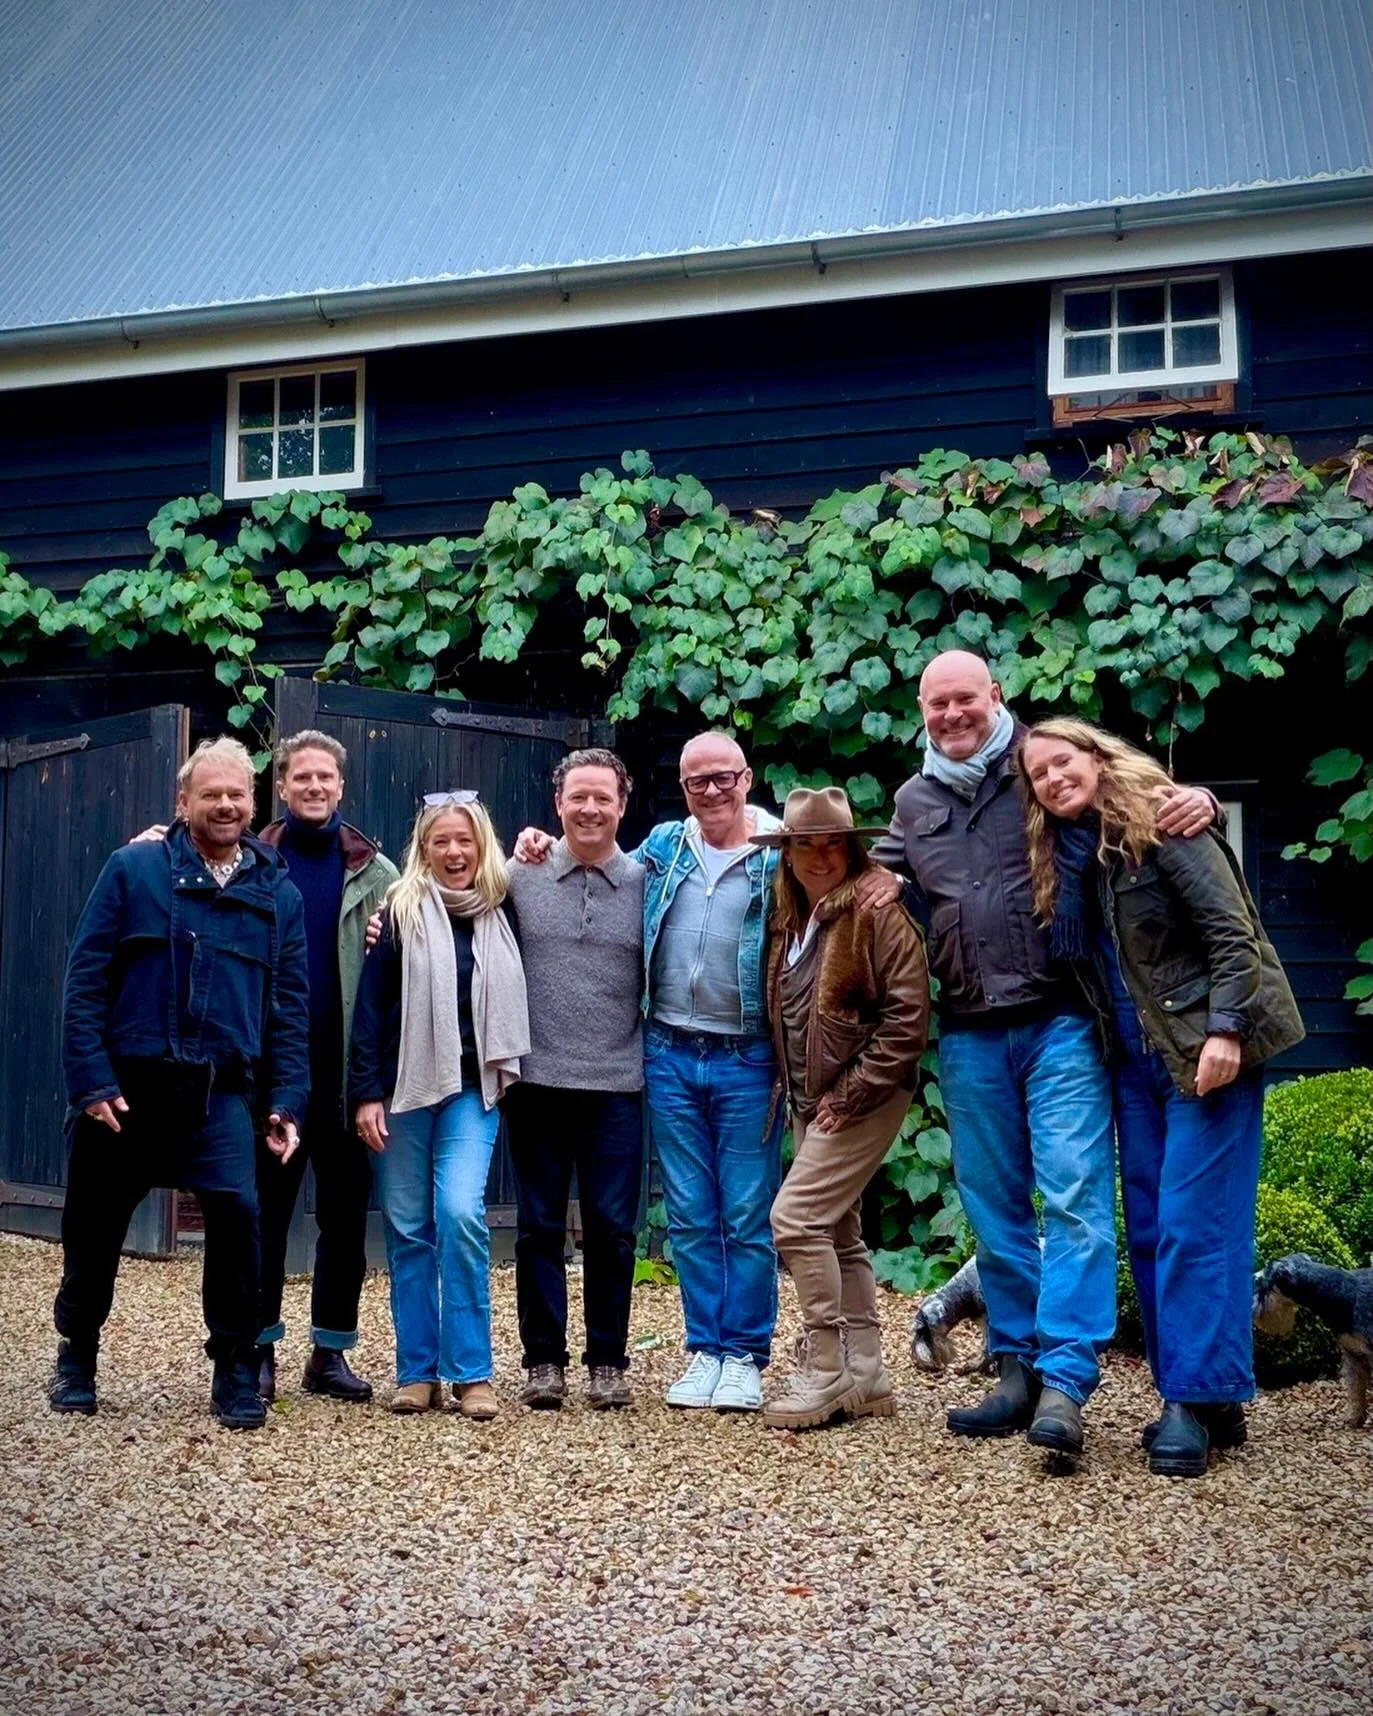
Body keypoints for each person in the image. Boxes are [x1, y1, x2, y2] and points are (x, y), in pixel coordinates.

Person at [859, 650, 1218, 1461]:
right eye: (935, 704)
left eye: (964, 700)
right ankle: (1015, 1366)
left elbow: (1126, 795)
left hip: (1061, 1020)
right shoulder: (913, 804)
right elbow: (860, 876)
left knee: (1074, 1199)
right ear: (920, 709)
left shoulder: (1038, 767)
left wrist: (1195, 801)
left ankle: (1066, 1378)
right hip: (970, 1028)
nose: (950, 716)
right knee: (993, 1208)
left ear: (995, 696)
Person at [1019, 717, 1304, 1477]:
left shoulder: (1166, 825)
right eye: (1037, 774)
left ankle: (1188, 1403)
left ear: (1097, 756)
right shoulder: (1072, 861)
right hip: (1133, 1066)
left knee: (1192, 1225)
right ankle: (1209, 1396)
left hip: (1205, 1055)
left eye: (1061, 761)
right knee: (1147, 1229)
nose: (1052, 779)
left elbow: (1231, 934)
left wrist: (1228, 1030)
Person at [516, 731, 785, 1412]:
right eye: (698, 781)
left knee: (728, 1216)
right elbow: (455, 887)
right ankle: (683, 1352)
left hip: (705, 1063)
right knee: (679, 1216)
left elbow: (835, 878)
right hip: (622, 1063)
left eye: (724, 777)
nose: (712, 790)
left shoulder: (745, 859)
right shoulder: (634, 857)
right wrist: (384, 924)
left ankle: (730, 1356)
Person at [51, 738, 309, 1431]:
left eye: (237, 795)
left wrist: (285, 1101)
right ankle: (78, 1350)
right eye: (211, 794)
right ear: (182, 802)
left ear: (253, 805)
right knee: (93, 1228)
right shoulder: (132, 870)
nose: (225, 805)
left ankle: (233, 1367)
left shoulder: (275, 894)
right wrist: (90, 1081)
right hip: (126, 1093)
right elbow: (83, 983)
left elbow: (289, 1009)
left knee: (238, 1220)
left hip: (219, 1094)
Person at [753, 788, 930, 1430]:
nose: (820, 856)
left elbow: (907, 1022)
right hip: (809, 1095)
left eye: (833, 843)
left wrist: (851, 1093)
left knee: (795, 1220)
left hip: (865, 1093)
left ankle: (825, 1367)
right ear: (788, 854)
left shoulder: (877, 912)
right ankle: (868, 1372)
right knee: (837, 1229)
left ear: (853, 848)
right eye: (806, 844)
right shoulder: (790, 919)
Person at [349, 792, 529, 1419]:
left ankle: (472, 1372)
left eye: (464, 841)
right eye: (439, 842)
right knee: (407, 1228)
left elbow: (559, 862)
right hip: (401, 1091)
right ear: (422, 851)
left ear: (481, 844)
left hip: (472, 1088)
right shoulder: (398, 913)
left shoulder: (507, 908)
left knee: (458, 1213)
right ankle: (417, 1371)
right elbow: (369, 1011)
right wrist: (365, 1094)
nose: (454, 853)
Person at [253, 731, 398, 1404]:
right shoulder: (253, 861)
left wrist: (389, 935)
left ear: (341, 786)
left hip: (346, 1079)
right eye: (301, 777)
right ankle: (256, 1349)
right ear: (281, 787)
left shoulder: (378, 872)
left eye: (325, 778)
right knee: (263, 1216)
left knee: (343, 1221)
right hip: (269, 1073)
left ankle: (330, 1353)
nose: (314, 787)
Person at [502, 748, 646, 1410]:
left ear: (623, 805)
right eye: (577, 797)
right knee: (536, 1225)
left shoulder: (648, 884)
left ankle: (608, 1362)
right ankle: (542, 1362)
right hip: (537, 1080)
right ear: (557, 803)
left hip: (615, 1081)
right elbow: (449, 893)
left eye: (603, 798)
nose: (590, 809)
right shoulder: (519, 875)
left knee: (614, 1228)